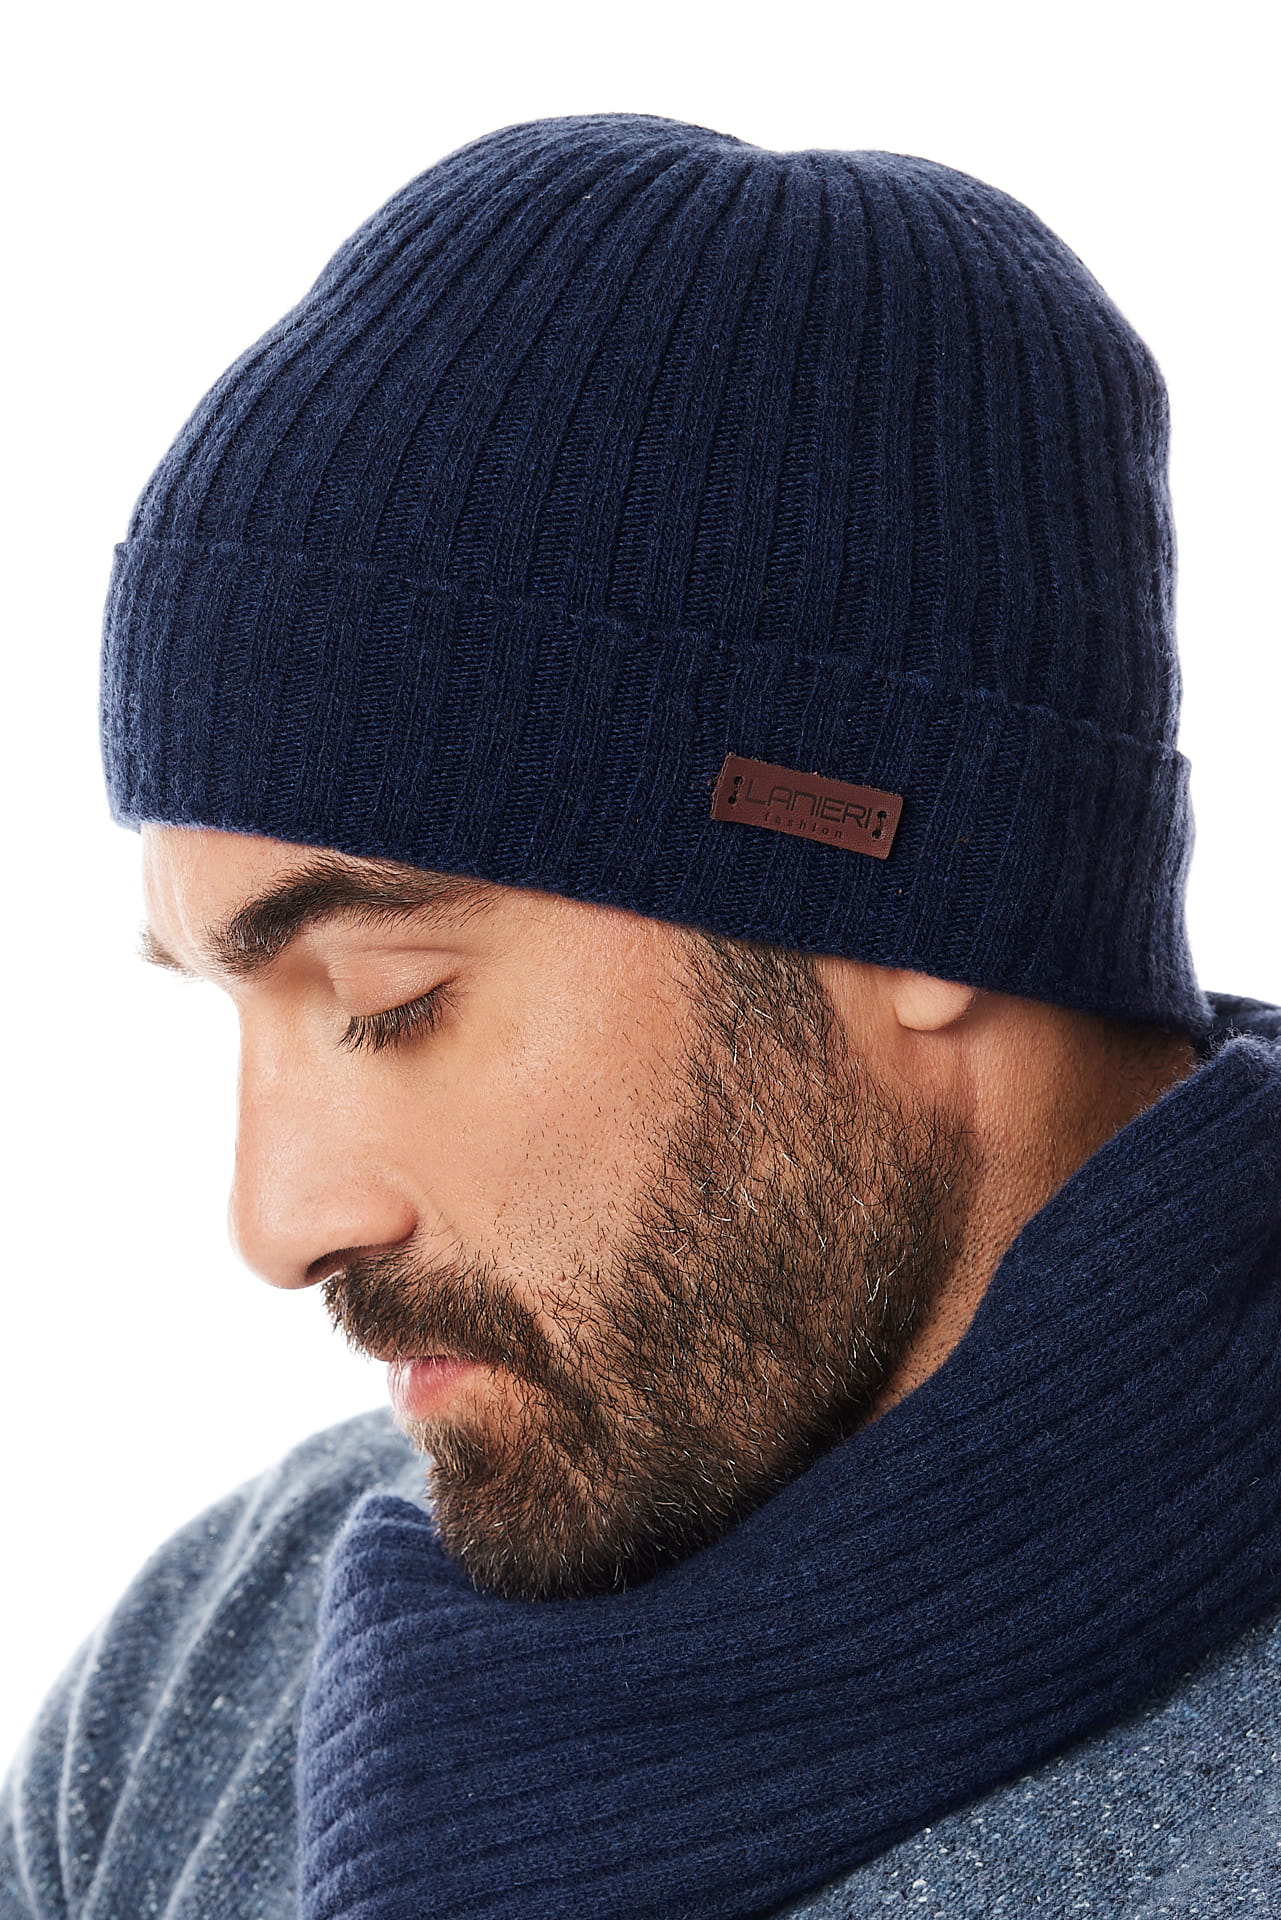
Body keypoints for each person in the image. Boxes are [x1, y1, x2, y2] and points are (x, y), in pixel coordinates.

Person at [3, 111, 1279, 1920]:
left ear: (920, 896)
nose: (277, 1222)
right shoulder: (198, 1689)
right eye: (235, 1005)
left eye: (390, 1001)